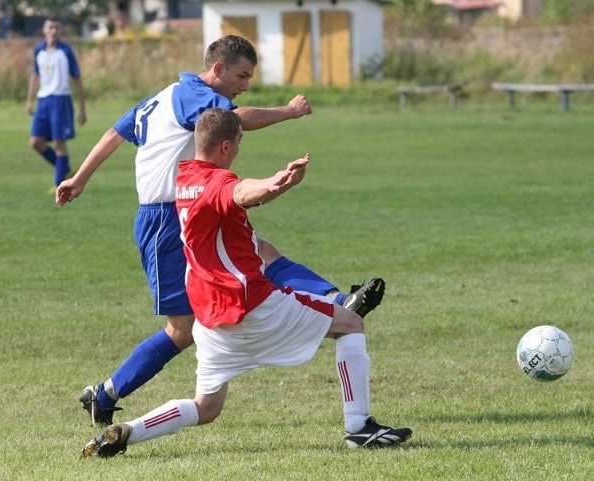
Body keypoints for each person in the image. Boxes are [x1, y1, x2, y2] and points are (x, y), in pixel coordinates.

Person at [56, 35, 385, 428]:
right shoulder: (191, 94)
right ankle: (106, 393)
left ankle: (337, 299)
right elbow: (236, 120)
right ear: (217, 69)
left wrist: (80, 178)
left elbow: (114, 134)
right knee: (182, 330)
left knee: (261, 251)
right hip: (166, 219)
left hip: (186, 205)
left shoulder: (165, 95)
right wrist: (290, 111)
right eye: (241, 75)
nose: (244, 85)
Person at [80, 108, 412, 458]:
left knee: (206, 408)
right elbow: (242, 192)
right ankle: (359, 426)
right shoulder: (218, 183)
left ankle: (130, 431)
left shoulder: (185, 178)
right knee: (350, 324)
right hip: (251, 306)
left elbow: (238, 201)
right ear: (225, 146)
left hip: (209, 319)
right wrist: (276, 182)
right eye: (239, 141)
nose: (240, 148)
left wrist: (273, 189)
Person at [26, 16, 86, 191]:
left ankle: (59, 183)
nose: (54, 31)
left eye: (57, 28)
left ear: (60, 31)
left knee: (60, 144)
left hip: (61, 100)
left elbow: (77, 79)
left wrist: (82, 108)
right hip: (43, 101)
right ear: (44, 30)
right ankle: (65, 169)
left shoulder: (66, 51)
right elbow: (35, 75)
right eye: (50, 27)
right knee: (35, 142)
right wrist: (30, 101)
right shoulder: (39, 50)